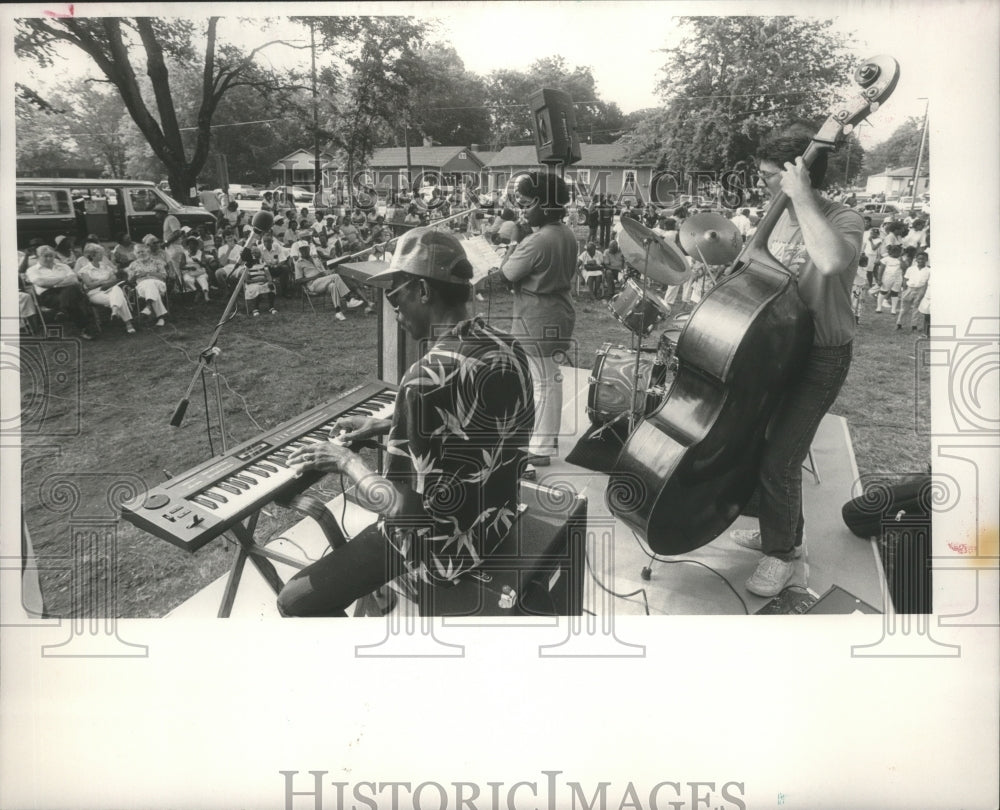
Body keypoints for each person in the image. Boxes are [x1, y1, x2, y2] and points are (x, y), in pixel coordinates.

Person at [276, 227, 535, 616]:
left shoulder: (423, 379)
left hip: (447, 554)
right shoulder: (507, 347)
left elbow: (401, 508)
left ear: (424, 292)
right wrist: (385, 425)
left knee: (293, 601)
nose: (393, 309)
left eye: (395, 296)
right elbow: (477, 432)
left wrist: (345, 462)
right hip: (498, 520)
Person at [730, 122, 865, 597]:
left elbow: (828, 262)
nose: (765, 184)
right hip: (774, 351)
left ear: (799, 177)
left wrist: (801, 196)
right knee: (765, 443)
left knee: (781, 459)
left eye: (772, 176)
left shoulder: (844, 218)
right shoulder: (778, 214)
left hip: (820, 355)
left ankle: (783, 556)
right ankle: (778, 531)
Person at [498, 170, 577, 468]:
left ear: (544, 204)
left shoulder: (537, 241)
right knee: (548, 378)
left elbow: (506, 275)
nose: (522, 210)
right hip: (559, 312)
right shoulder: (564, 233)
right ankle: (546, 436)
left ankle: (541, 447)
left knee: (542, 381)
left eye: (528, 204)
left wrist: (515, 241)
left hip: (538, 318)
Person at [26, 245, 96, 339]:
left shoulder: (63, 266)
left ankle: (63, 310)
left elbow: (74, 280)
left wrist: (52, 282)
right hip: (48, 295)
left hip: (68, 290)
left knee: (72, 290)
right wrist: (62, 279)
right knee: (74, 297)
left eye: (51, 256)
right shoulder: (32, 270)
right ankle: (85, 327)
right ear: (38, 257)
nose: (49, 258)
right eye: (45, 256)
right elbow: (41, 283)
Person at [77, 243, 136, 334]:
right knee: (120, 298)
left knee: (116, 289)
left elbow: (114, 278)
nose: (103, 255)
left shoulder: (104, 266)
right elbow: (90, 285)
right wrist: (103, 281)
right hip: (95, 293)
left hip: (111, 289)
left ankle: (115, 311)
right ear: (93, 255)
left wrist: (98, 282)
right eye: (100, 254)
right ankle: (128, 323)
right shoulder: (85, 270)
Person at [292, 242, 352, 320]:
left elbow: (323, 271)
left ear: (309, 248)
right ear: (299, 250)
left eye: (305, 248)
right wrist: (315, 277)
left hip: (322, 281)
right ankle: (348, 299)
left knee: (333, 286)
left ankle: (338, 312)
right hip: (312, 285)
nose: (304, 251)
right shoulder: (299, 263)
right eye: (302, 249)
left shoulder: (315, 258)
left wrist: (327, 273)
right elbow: (298, 280)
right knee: (335, 276)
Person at [128, 239, 170, 327]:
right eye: (138, 252)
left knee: (150, 283)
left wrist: (148, 274)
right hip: (141, 287)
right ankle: (160, 317)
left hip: (159, 284)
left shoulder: (157, 262)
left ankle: (148, 307)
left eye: (142, 251)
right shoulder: (133, 265)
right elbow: (130, 280)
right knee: (150, 285)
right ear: (135, 254)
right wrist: (136, 276)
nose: (141, 254)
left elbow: (163, 276)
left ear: (148, 251)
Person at [896, 251, 930, 331]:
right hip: (909, 289)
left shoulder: (928, 270)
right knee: (904, 308)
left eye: (923, 259)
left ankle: (914, 326)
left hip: (920, 289)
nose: (921, 261)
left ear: (926, 260)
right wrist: (904, 290)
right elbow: (905, 279)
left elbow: (927, 283)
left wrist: (923, 292)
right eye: (919, 259)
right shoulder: (911, 269)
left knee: (916, 308)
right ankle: (899, 323)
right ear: (916, 260)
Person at [181, 235, 211, 301]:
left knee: (203, 279)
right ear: (188, 245)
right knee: (187, 280)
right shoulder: (185, 254)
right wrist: (189, 268)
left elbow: (204, 264)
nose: (192, 245)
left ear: (197, 245)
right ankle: (197, 291)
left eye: (194, 243)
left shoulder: (200, 253)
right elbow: (181, 266)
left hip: (200, 271)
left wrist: (198, 261)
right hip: (189, 272)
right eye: (190, 244)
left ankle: (206, 296)